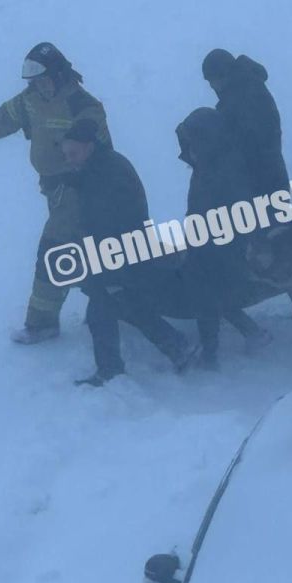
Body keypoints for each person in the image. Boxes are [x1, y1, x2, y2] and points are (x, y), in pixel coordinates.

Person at [0, 42, 111, 344]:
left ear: (60, 75)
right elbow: (0, 119)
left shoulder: (84, 106)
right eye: (33, 83)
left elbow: (99, 148)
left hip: (79, 193)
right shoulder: (31, 101)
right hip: (54, 193)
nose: (38, 87)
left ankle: (41, 324)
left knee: (54, 252)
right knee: (87, 252)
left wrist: (84, 169)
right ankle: (110, 303)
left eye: (43, 80)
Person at [61, 118, 192, 387]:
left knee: (102, 307)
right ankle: (177, 346)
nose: (69, 160)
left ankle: (110, 372)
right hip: (128, 253)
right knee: (127, 305)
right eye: (66, 156)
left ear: (88, 147)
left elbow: (114, 223)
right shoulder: (103, 166)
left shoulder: (106, 174)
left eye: (72, 154)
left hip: (123, 255)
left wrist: (109, 273)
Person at [201, 49, 292, 317]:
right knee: (277, 241)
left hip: (258, 182)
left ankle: (282, 300)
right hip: (269, 177)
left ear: (223, 75)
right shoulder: (248, 90)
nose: (212, 87)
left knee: (269, 243)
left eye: (212, 81)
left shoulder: (241, 98)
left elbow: (245, 144)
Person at [176, 107, 268, 369]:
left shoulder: (223, 169)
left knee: (206, 298)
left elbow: (237, 208)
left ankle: (210, 355)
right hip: (209, 242)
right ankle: (251, 333)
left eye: (193, 140)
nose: (189, 147)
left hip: (218, 245)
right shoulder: (210, 163)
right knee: (216, 297)